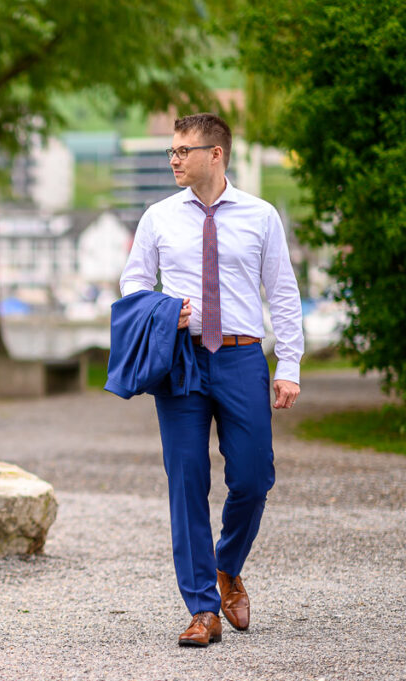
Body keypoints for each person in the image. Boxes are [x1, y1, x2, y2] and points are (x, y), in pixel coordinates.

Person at [119, 112, 303, 647]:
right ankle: (203, 610)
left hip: (243, 357)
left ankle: (227, 566)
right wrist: (160, 309)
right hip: (180, 360)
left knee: (252, 478)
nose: (173, 159)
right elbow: (133, 282)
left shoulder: (261, 215)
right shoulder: (157, 217)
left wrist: (288, 366)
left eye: (182, 150)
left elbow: (283, 293)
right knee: (187, 483)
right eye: (171, 151)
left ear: (214, 154)